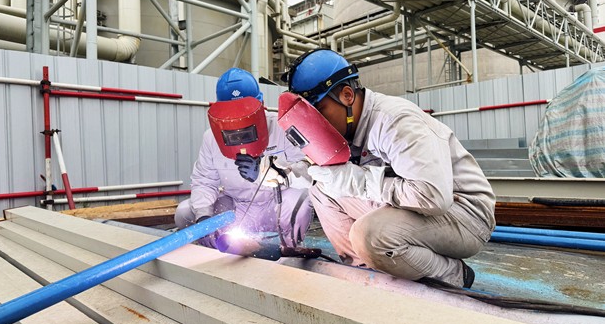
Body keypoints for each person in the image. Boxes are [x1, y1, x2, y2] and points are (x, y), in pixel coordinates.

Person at [282, 48, 495, 288]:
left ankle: (453, 275)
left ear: (347, 95)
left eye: (319, 112)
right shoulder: (347, 127)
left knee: (370, 235)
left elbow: (432, 196)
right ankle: (365, 272)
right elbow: (334, 173)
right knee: (322, 188)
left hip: (464, 214)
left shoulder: (395, 121)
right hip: (419, 206)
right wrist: (292, 173)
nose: (317, 125)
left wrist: (358, 181)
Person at [175, 68, 313, 249]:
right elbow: (204, 182)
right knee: (184, 213)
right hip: (237, 209)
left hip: (276, 206)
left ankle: (289, 248)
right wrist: (204, 218)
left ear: (261, 104)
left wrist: (267, 172)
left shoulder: (283, 128)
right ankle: (221, 247)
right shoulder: (211, 138)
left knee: (301, 199)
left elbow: (306, 173)